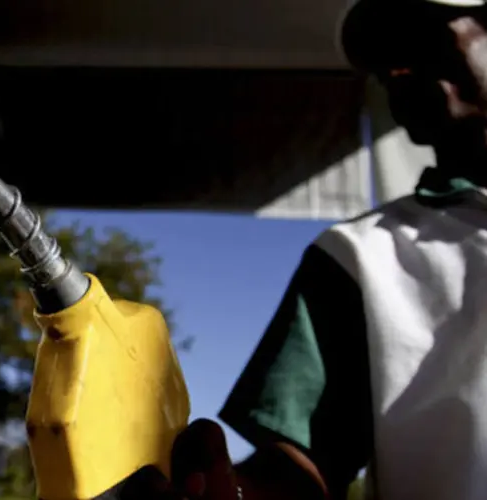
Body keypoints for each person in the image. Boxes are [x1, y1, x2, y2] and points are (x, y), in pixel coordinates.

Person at [155, 0, 487, 499]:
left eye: (425, 37)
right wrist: (232, 491)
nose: (396, 71)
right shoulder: (361, 255)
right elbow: (302, 465)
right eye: (385, 63)